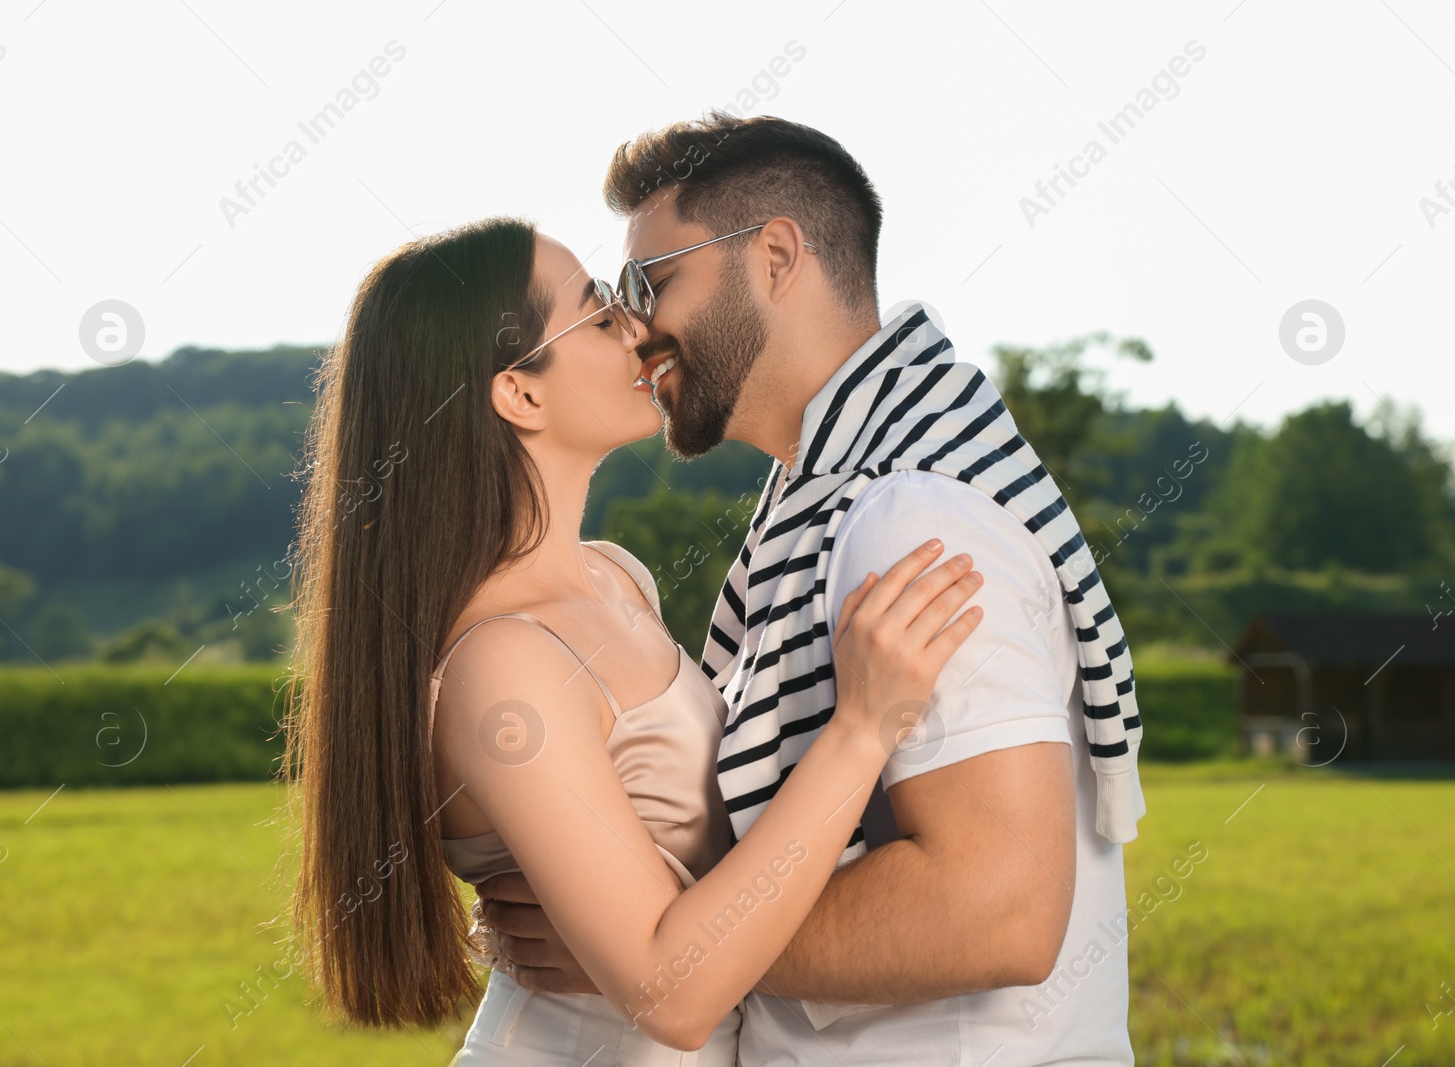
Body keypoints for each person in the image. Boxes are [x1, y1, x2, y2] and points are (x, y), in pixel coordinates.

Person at [474, 114, 1147, 1065]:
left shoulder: (910, 517)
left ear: (776, 256)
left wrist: (657, 946)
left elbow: (1000, 907)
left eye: (654, 281)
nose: (640, 326)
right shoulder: (823, 507)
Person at [278, 214, 987, 1064]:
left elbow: (680, 897)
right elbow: (674, 993)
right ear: (521, 393)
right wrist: (864, 727)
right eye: (600, 311)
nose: (639, 330)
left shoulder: (614, 577)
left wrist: (629, 932)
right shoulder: (505, 664)